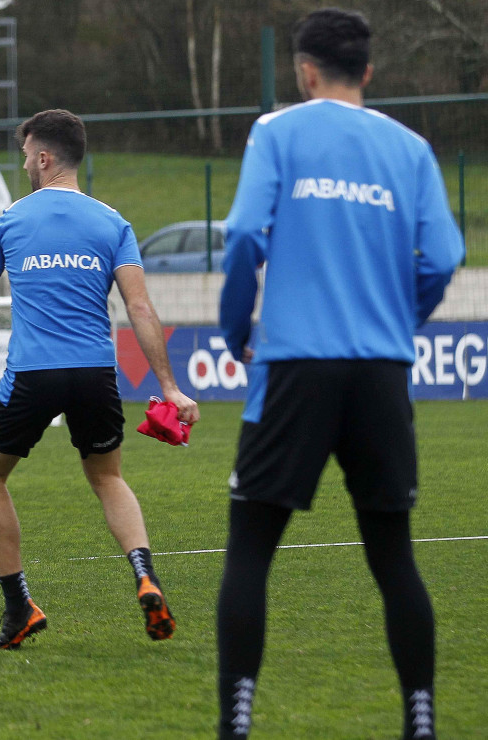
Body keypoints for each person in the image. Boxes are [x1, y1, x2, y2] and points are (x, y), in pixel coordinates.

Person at [216, 9, 464, 739]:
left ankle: (236, 722)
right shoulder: (410, 148)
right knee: (393, 557)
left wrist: (237, 332)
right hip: (380, 374)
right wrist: (397, 320)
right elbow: (442, 258)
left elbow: (239, 238)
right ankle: (418, 720)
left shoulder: (276, 132)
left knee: (251, 552)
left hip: (292, 367)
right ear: (368, 72)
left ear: (303, 72)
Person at [0, 109, 199, 649]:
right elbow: (141, 308)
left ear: (43, 157)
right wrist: (170, 387)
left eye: (24, 155)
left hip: (33, 375)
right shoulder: (113, 223)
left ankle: (18, 607)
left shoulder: (11, 219)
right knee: (107, 477)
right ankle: (144, 575)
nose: (23, 166)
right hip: (95, 374)